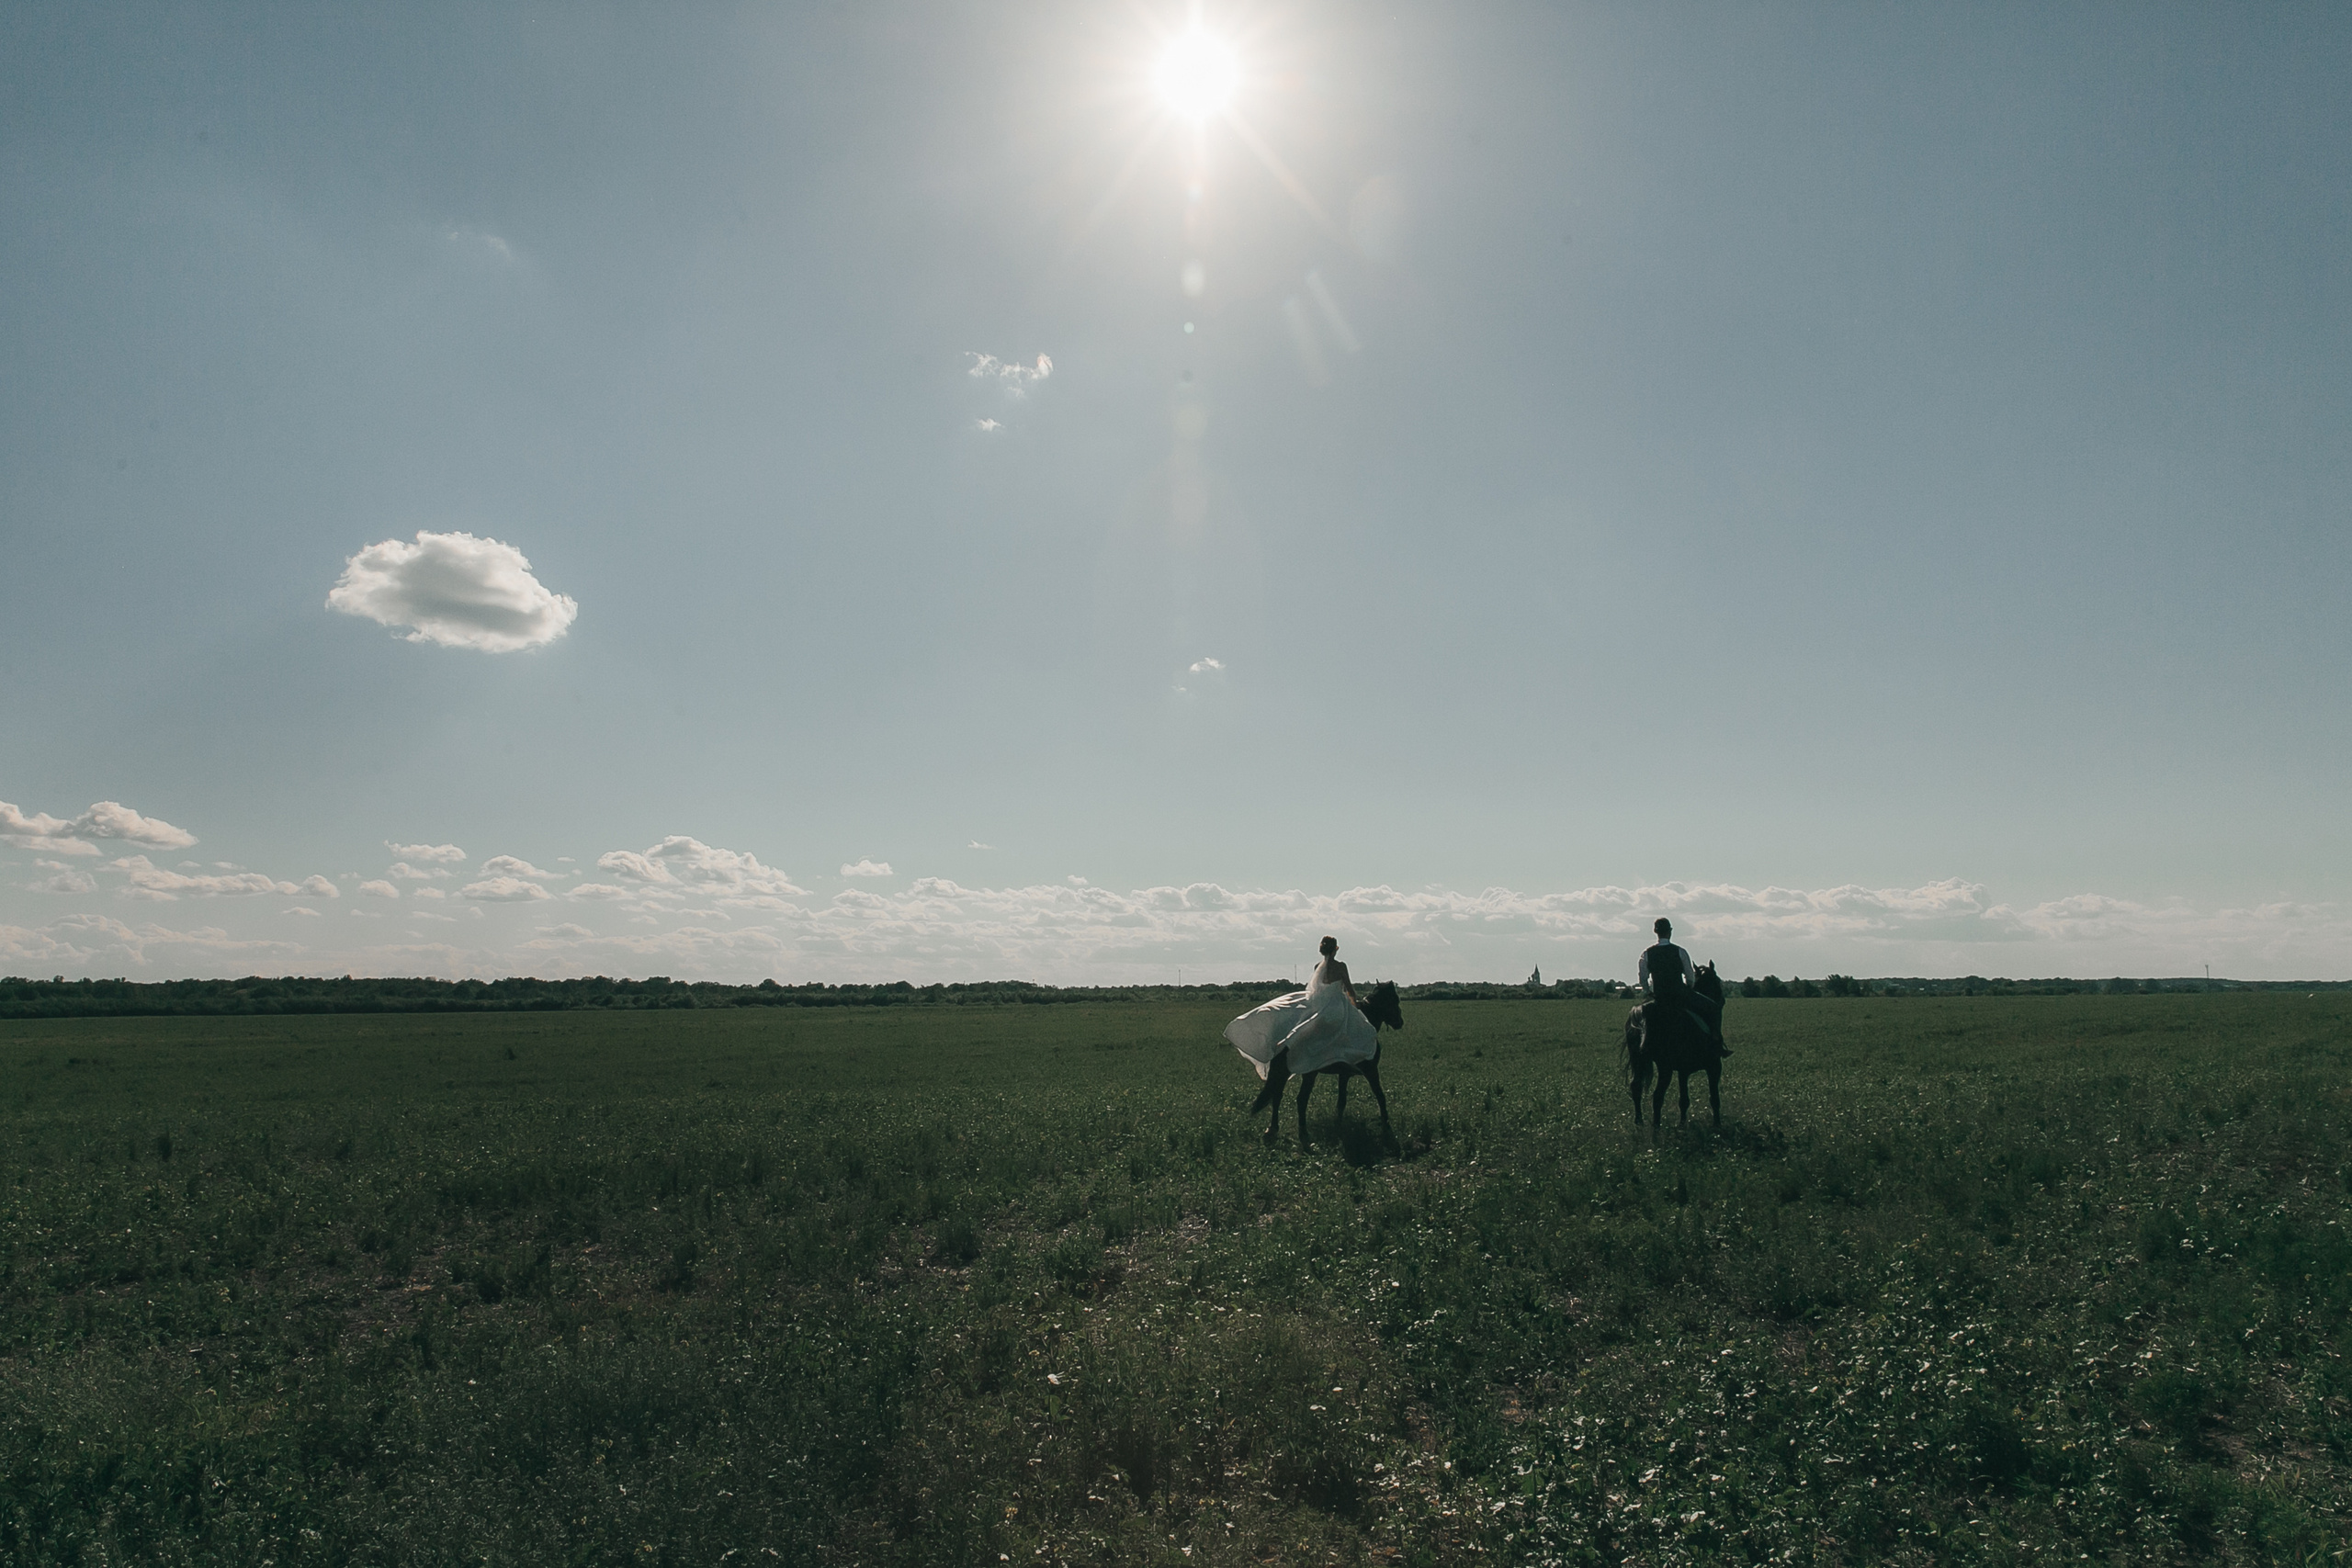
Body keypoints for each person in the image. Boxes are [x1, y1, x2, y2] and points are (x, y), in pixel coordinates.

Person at [1227, 934, 1379, 1100]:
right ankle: (1348, 1063)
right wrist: (1354, 1005)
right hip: (1337, 1008)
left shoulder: (1317, 966)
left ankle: (1286, 1043)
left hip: (1320, 1005)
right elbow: (1349, 989)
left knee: (1305, 1025)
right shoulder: (1341, 966)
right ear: (1336, 949)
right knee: (1362, 1030)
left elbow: (1316, 991)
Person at [1638, 918, 1728, 1056]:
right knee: (1714, 1008)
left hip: (1660, 997)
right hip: (1680, 994)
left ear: (1655, 931)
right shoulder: (1680, 951)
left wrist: (1648, 991)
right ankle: (1717, 1044)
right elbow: (1689, 975)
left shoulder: (1646, 954)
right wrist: (1689, 986)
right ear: (1670, 931)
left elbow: (1643, 977)